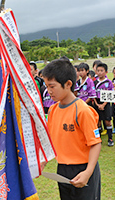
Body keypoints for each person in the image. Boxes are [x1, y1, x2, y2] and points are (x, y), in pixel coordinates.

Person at [41, 59, 101, 200]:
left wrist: (88, 172)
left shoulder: (83, 111)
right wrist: (43, 161)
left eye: (52, 86)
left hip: (83, 168)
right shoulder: (53, 110)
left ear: (68, 84)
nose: (48, 91)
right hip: (62, 170)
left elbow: (95, 143)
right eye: (46, 86)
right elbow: (51, 139)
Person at [93, 63, 114, 146]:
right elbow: (93, 94)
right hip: (97, 103)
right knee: (97, 122)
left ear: (106, 72)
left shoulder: (108, 82)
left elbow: (110, 94)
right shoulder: (94, 82)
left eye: (102, 71)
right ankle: (98, 139)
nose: (100, 72)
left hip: (106, 103)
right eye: (98, 71)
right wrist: (97, 104)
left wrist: (103, 105)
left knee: (108, 121)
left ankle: (110, 139)